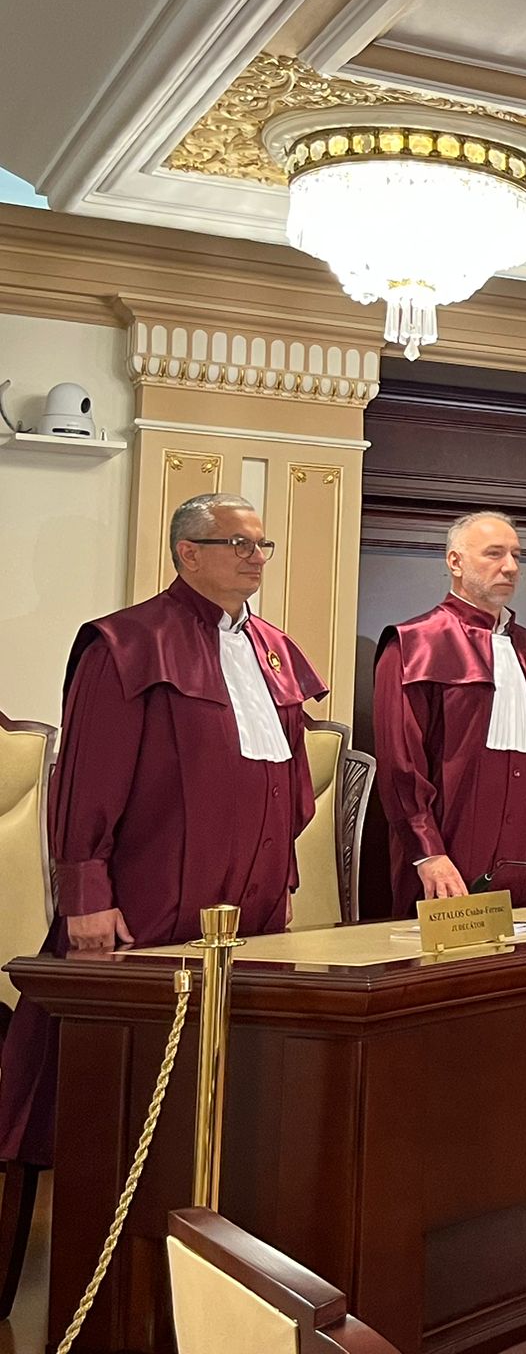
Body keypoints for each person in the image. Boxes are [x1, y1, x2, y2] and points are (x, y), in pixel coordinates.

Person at [0, 492, 325, 1173]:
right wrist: (86, 895)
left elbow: (290, 781)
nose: (256, 557)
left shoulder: (274, 651)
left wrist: (281, 881)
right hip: (152, 900)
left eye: (262, 545)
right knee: (132, 1082)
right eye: (239, 543)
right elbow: (89, 779)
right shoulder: (126, 642)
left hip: (255, 908)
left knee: (236, 1078)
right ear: (188, 553)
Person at [374, 511, 526, 912]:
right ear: (455, 561)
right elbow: (401, 765)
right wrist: (427, 851)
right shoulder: (413, 645)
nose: (510, 567)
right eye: (494, 554)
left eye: (516, 555)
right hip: (447, 859)